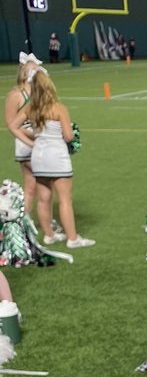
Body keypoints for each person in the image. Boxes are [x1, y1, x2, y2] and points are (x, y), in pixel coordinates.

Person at [8, 67, 93, 249]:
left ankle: (49, 235)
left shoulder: (31, 108)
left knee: (44, 198)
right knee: (64, 199)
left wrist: (32, 143)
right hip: (57, 156)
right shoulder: (59, 108)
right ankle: (72, 238)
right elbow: (69, 136)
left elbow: (13, 126)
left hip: (39, 157)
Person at [4, 51, 41, 222]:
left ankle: (25, 223)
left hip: (38, 143)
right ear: (25, 73)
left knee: (32, 187)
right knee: (42, 186)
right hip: (27, 145)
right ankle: (47, 224)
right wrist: (33, 136)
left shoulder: (38, 93)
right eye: (34, 70)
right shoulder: (16, 95)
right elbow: (11, 124)